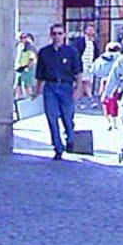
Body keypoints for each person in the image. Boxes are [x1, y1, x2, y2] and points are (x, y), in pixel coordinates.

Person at [35, 23, 84, 160]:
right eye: (54, 33)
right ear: (50, 35)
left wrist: (78, 88)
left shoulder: (71, 52)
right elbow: (40, 74)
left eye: (60, 33)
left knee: (67, 117)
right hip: (50, 86)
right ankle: (58, 147)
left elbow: (78, 72)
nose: (57, 36)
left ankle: (70, 138)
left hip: (66, 87)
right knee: (51, 117)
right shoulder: (44, 52)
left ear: (64, 35)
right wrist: (37, 91)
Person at [91, 41, 123, 128]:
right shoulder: (121, 58)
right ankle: (115, 122)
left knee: (105, 102)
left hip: (104, 81)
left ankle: (108, 121)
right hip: (117, 82)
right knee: (115, 102)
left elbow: (94, 70)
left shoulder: (101, 58)